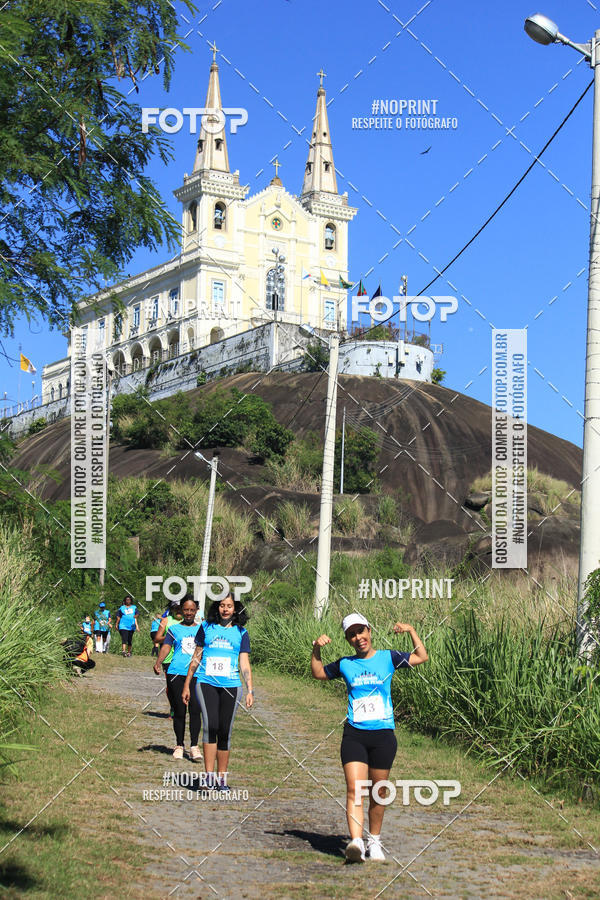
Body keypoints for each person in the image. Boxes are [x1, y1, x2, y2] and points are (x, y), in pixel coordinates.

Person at [311, 613, 428, 863]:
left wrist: (411, 629)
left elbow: (421, 657)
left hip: (383, 736)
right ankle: (355, 842)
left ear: (369, 631)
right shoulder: (345, 664)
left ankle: (374, 841)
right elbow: (319, 673)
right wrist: (316, 650)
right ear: (347, 639)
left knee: (378, 792)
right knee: (355, 789)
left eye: (361, 631)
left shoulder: (389, 657)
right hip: (354, 735)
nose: (358, 637)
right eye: (352, 634)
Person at [182, 594, 253, 789]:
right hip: (206, 683)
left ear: (235, 608)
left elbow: (244, 663)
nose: (225, 609)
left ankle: (221, 779)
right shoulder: (206, 628)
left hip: (231, 685)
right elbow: (196, 657)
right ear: (217, 607)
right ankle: (208, 777)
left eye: (229, 606)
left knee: (224, 731)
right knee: (210, 726)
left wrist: (250, 690)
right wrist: (187, 683)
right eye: (222, 605)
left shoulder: (241, 632)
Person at [154, 597, 202, 759]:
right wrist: (158, 662)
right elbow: (166, 646)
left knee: (195, 709)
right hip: (176, 672)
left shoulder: (203, 629)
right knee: (180, 711)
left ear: (196, 611)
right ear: (181, 610)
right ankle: (179, 745)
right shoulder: (174, 629)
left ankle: (194, 746)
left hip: (197, 674)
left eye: (192, 610)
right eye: (186, 610)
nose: (188, 613)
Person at [154, 600, 183, 715]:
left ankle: (181, 707)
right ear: (172, 609)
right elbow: (156, 638)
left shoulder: (188, 621)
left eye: (181, 608)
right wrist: (169, 637)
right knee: (171, 686)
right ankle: (173, 707)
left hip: (183, 657)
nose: (179, 611)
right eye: (176, 608)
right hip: (168, 657)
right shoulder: (166, 621)